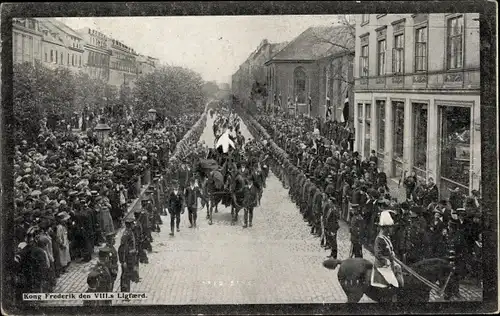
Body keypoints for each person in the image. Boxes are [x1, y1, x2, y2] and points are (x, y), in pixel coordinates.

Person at [371, 210, 404, 292]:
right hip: (382, 265)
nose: (391, 229)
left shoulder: (386, 237)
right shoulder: (379, 239)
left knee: (399, 270)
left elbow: (390, 250)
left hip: (390, 262)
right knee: (394, 283)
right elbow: (378, 254)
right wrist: (386, 261)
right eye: (390, 227)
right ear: (385, 228)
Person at [118, 218, 137, 292]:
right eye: (132, 224)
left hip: (130, 258)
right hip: (126, 259)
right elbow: (122, 249)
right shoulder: (126, 235)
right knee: (125, 276)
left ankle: (127, 291)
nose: (133, 225)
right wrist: (123, 261)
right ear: (130, 225)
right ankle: (125, 293)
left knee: (128, 275)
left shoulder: (130, 232)